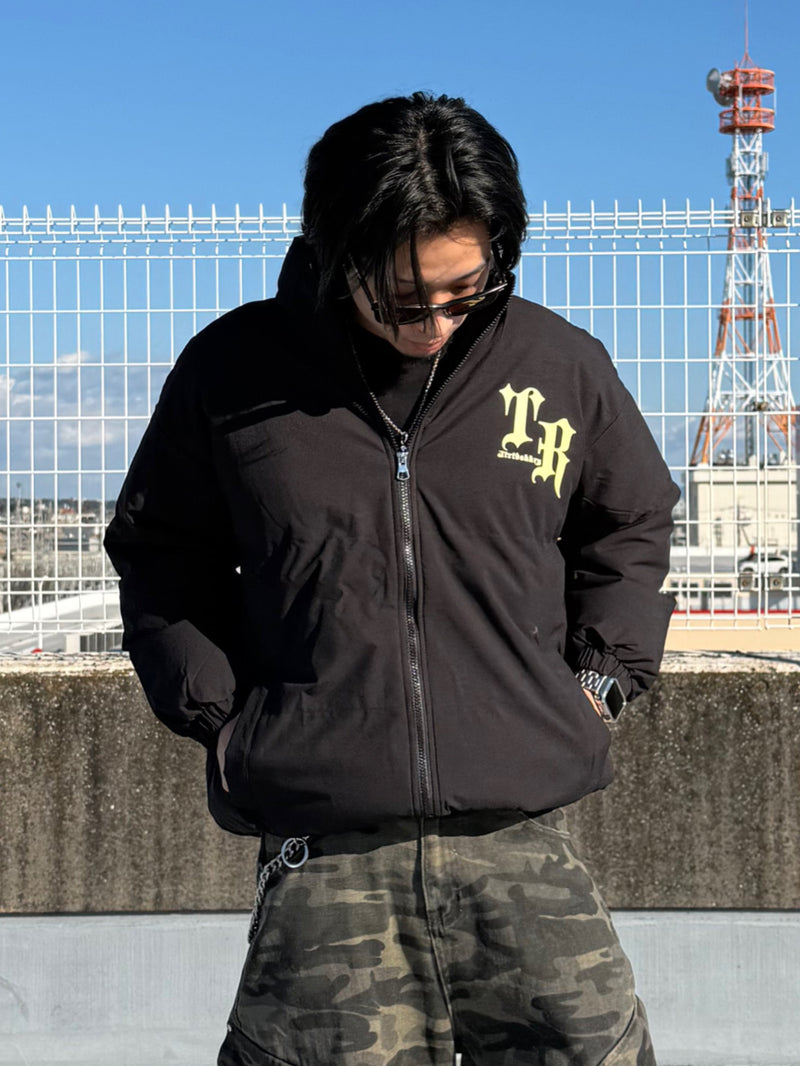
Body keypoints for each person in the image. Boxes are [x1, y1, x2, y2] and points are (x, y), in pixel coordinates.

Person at [105, 91, 679, 1066]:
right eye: (407, 301)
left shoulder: (559, 365)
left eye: (469, 290)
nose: (438, 323)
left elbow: (629, 522)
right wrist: (227, 720)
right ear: (339, 257)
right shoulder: (233, 374)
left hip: (525, 840)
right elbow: (160, 551)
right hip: (326, 855)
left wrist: (598, 683)